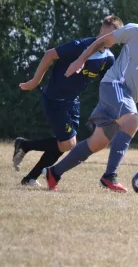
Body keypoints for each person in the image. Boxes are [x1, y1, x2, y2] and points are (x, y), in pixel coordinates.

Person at [42, 6, 138, 192]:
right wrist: (80, 60)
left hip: (127, 98)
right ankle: (109, 177)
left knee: (97, 143)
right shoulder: (137, 31)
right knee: (132, 122)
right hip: (114, 85)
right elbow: (102, 41)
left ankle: (54, 173)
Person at [13, 15, 123, 186]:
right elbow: (49, 55)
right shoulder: (79, 46)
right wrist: (35, 81)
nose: (108, 39)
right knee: (68, 143)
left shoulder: (108, 58)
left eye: (113, 37)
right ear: (101, 30)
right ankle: (25, 148)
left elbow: (107, 83)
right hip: (54, 99)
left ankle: (29, 175)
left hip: (73, 102)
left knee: (63, 142)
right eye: (107, 34)